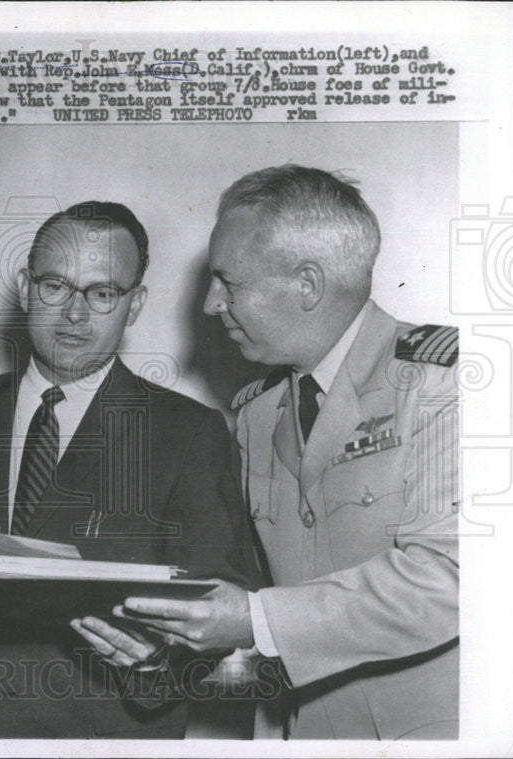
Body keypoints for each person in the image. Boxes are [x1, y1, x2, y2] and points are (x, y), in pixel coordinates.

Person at [94, 165, 459, 740]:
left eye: (228, 282)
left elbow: (451, 579)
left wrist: (254, 618)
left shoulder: (443, 384)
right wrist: (158, 655)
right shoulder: (257, 416)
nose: (212, 304)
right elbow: (256, 631)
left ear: (307, 284)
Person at [0, 201, 256, 738]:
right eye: (55, 286)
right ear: (24, 287)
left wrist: (156, 665)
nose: (75, 314)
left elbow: (220, 611)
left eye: (103, 293)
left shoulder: (191, 431)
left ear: (135, 306)